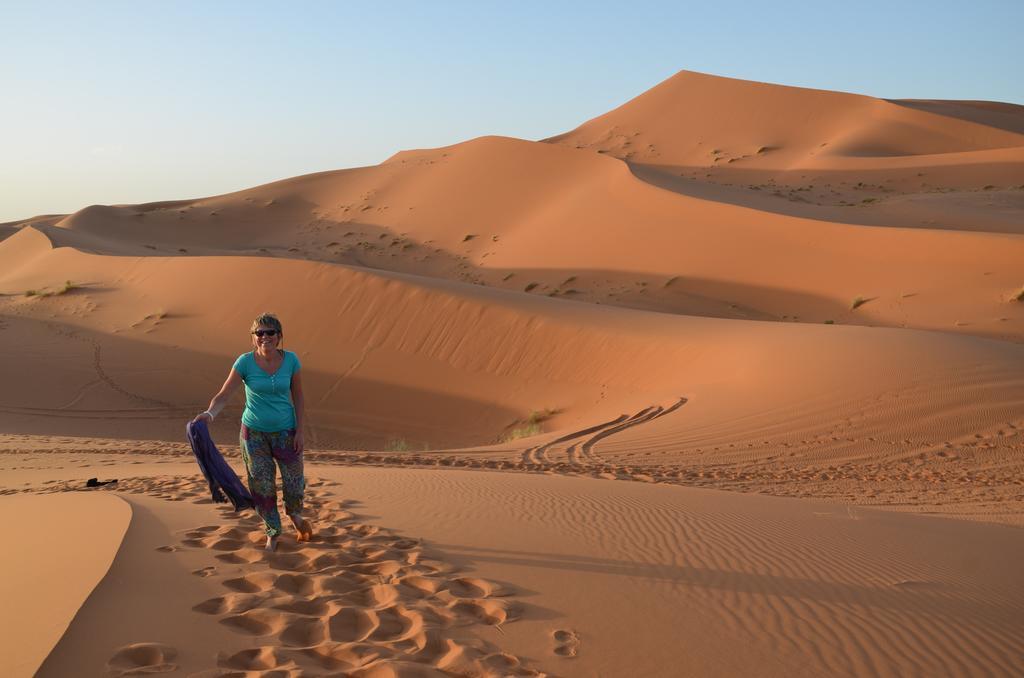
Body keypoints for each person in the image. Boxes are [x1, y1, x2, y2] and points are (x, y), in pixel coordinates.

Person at [192, 312, 311, 551]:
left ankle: (295, 516)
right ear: (253, 337)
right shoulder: (244, 362)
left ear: (279, 336)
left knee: (294, 482)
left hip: (286, 432)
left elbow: (298, 396)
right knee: (262, 486)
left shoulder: (291, 360)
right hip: (253, 434)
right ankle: (273, 532)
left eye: (270, 332)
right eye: (260, 333)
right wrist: (209, 413)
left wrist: (300, 431)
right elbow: (224, 394)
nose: (265, 337)